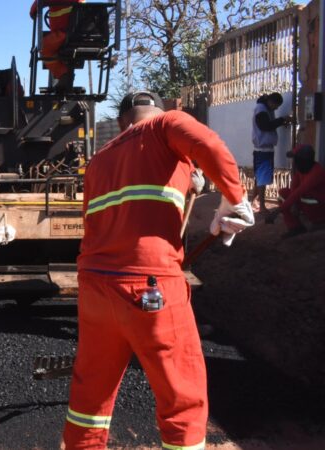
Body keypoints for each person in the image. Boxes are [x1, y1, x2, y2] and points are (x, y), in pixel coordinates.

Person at [62, 91, 254, 450]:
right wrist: (235, 198)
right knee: (182, 394)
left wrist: (185, 173)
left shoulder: (99, 159)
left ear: (122, 122)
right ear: (158, 112)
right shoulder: (167, 123)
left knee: (91, 392)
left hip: (95, 287)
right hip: (149, 284)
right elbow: (209, 143)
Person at [266, 144, 325, 237]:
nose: (294, 162)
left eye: (296, 159)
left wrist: (277, 212)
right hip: (307, 201)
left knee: (304, 195)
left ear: (303, 160)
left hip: (319, 206)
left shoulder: (317, 172)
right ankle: (295, 227)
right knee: (283, 193)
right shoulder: (302, 170)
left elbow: (299, 191)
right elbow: (294, 187)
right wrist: (294, 204)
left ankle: (318, 222)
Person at [30, 0, 84, 89]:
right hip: (82, 36)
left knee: (43, 47)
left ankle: (63, 74)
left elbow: (38, 4)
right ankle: (65, 74)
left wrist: (33, 12)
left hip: (66, 34)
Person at [252, 92, 292, 213]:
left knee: (259, 177)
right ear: (271, 102)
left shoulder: (265, 109)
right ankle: (262, 207)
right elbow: (265, 126)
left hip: (263, 149)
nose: (277, 108)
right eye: (277, 105)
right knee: (262, 179)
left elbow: (267, 125)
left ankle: (252, 202)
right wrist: (282, 120)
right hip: (263, 150)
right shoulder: (261, 109)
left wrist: (281, 121)